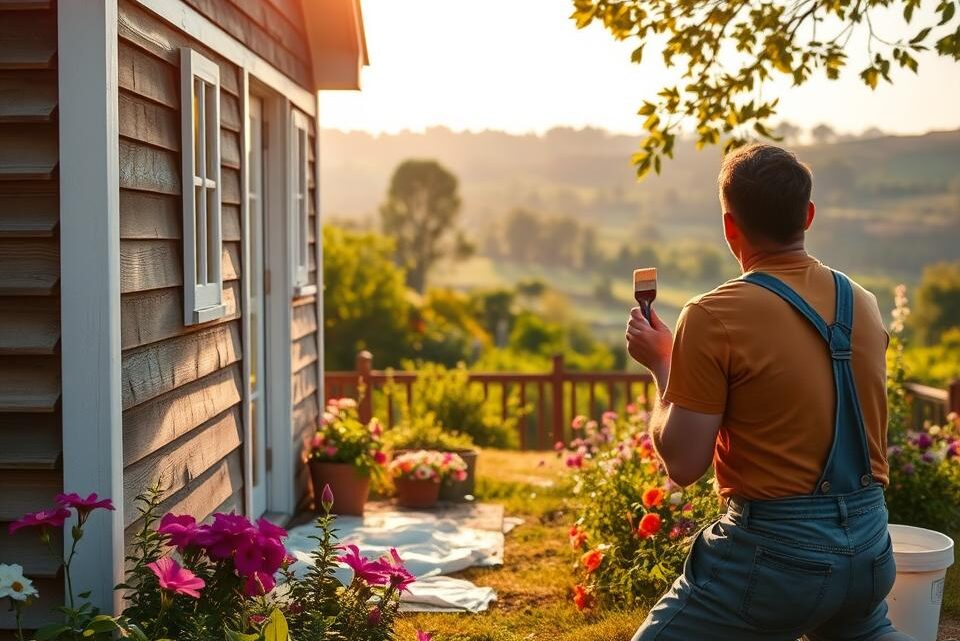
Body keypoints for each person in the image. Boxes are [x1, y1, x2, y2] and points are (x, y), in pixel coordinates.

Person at [624, 144, 914, 641]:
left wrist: (662, 362)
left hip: (776, 558)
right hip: (870, 547)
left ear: (729, 226)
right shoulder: (863, 303)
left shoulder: (715, 314)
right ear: (808, 216)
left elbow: (684, 465)